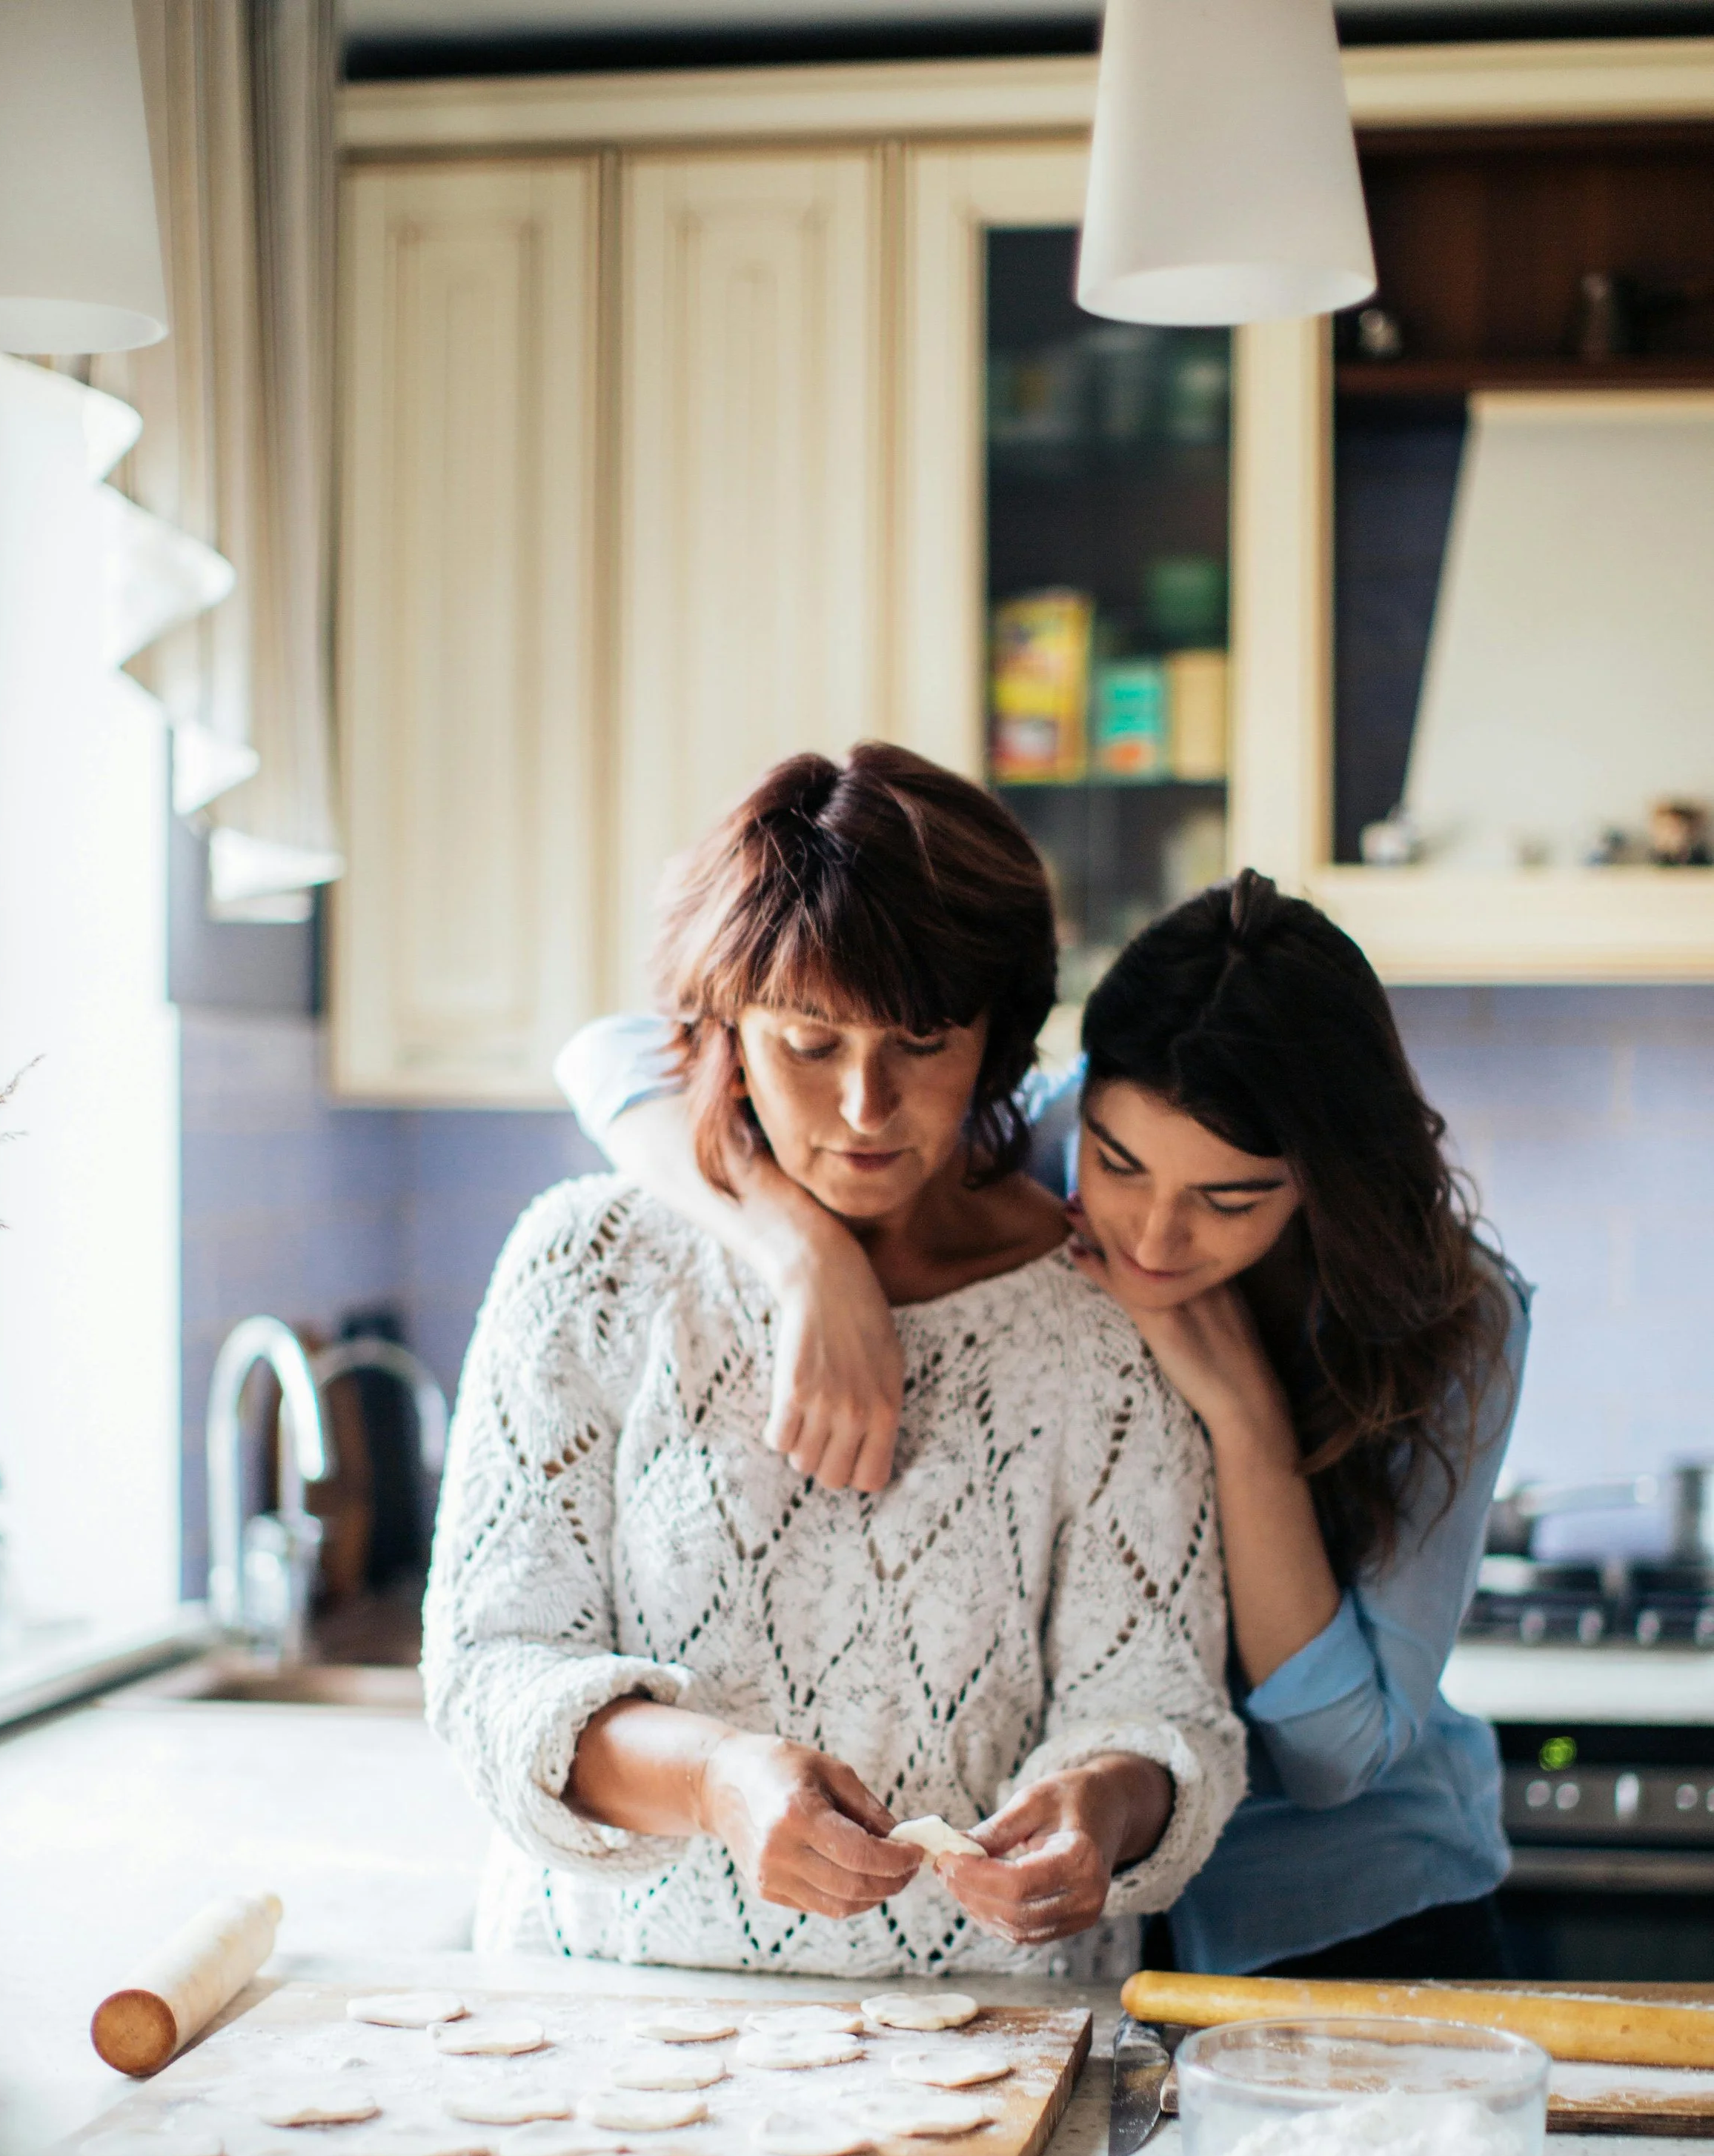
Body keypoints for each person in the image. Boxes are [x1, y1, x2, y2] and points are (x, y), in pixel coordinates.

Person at [556, 867, 1527, 1980]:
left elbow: (1335, 1757)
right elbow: (615, 1057)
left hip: (1342, 1911)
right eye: (1117, 1165)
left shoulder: (1457, 1316)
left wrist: (1245, 1422)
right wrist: (804, 1258)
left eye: (1232, 1199)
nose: (1156, 1236)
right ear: (1083, 1097)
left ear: (1320, 1181)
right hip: (1089, 1931)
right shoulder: (1031, 1141)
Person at [424, 744, 1245, 1978]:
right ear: (724, 1032)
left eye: (922, 1041)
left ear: (999, 1039)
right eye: (810, 1043)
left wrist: (1102, 1808)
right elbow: (490, 1672)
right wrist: (714, 1781)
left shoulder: (1101, 1318)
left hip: (995, 2038)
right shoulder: (590, 1267)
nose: (868, 1107)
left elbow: (1166, 1708)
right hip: (609, 2031)